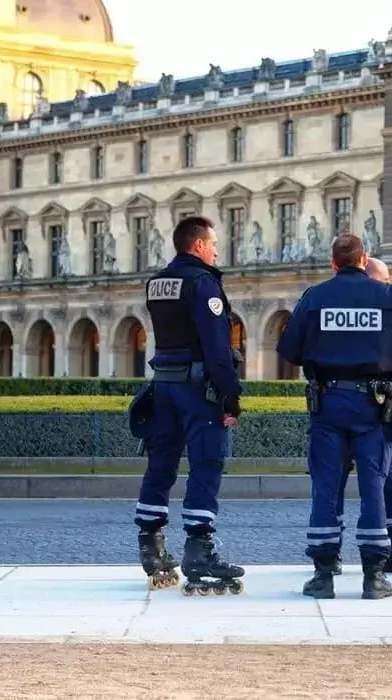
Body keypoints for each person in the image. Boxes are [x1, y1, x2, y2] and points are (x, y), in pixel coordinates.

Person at [277, 234, 392, 600]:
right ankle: (374, 576)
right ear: (364, 261)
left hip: (328, 401)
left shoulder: (315, 297)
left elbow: (288, 349)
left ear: (332, 264)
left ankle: (323, 575)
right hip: (374, 405)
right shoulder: (389, 296)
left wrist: (320, 358)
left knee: (325, 486)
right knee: (374, 486)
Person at [130, 215, 246, 596]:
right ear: (197, 245)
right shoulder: (203, 283)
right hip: (199, 391)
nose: (216, 249)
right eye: (212, 243)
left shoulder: (157, 283)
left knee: (160, 464)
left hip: (163, 385)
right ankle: (199, 549)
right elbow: (216, 349)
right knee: (206, 464)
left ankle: (151, 544)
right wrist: (231, 395)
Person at [333, 257, 392, 577]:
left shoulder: (332, 302)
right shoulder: (389, 304)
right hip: (379, 403)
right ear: (372, 279)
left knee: (345, 481)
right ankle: (388, 552)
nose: (390, 286)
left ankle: (333, 555)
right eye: (385, 280)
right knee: (384, 481)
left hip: (338, 402)